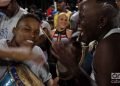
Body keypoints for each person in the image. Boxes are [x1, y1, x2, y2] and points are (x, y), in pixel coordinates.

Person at [52, 0, 120, 86]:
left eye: (82, 18)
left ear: (102, 21)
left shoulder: (107, 48)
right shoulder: (112, 39)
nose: (79, 23)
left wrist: (73, 67)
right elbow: (115, 79)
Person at [0, 14, 54, 86]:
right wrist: (14, 54)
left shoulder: (37, 51)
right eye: (27, 29)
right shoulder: (1, 45)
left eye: (36, 32)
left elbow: (47, 79)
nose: (32, 35)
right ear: (14, 31)